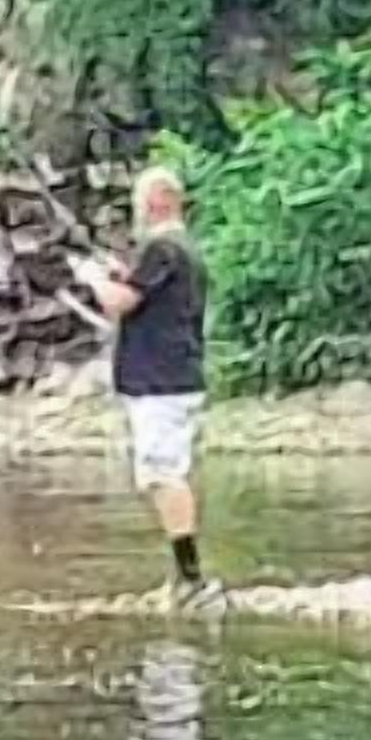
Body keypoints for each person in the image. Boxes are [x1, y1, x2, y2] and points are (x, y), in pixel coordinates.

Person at [86, 166, 220, 608]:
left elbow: (120, 303)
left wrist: (93, 279)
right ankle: (185, 578)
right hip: (172, 378)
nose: (136, 208)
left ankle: (192, 581)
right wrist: (118, 273)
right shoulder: (181, 250)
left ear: (159, 200)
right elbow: (144, 291)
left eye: (140, 199)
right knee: (161, 474)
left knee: (164, 474)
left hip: (162, 381)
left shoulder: (162, 247)